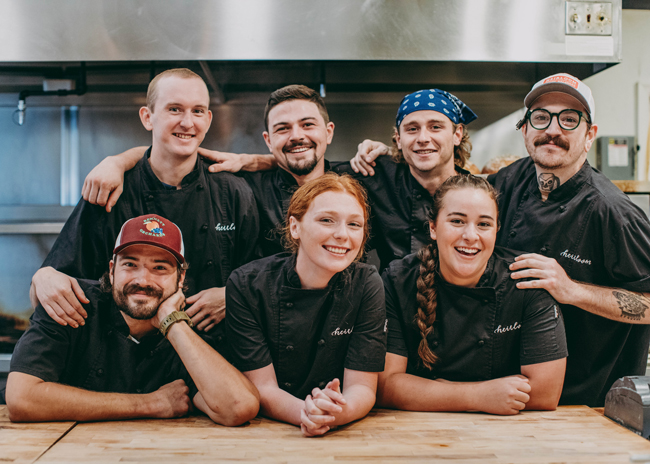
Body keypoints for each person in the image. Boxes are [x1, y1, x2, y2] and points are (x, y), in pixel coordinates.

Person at [80, 87, 477, 271]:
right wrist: (118, 160)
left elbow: (431, 163)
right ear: (269, 140)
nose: (298, 136)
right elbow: (178, 152)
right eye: (283, 129)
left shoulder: (362, 176)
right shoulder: (243, 188)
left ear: (329, 132)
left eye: (307, 124)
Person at [30, 68, 260, 342]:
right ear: (147, 117)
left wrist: (230, 295)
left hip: (210, 354)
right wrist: (43, 278)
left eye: (198, 111)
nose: (188, 123)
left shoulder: (234, 193)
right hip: (121, 359)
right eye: (174, 109)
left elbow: (262, 279)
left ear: (209, 119)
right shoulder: (111, 190)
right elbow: (58, 280)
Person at [489, 73, 650, 407]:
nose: (553, 130)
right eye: (541, 117)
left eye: (569, 119)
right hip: (509, 393)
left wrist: (571, 289)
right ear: (525, 130)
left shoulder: (614, 213)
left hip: (589, 402)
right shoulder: (505, 183)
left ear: (589, 135)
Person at [6, 215, 259, 424]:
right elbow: (21, 398)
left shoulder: (193, 328)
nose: (143, 280)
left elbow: (238, 407)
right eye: (130, 264)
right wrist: (151, 404)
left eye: (160, 268)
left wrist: (173, 324)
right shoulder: (69, 302)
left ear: (181, 279)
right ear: (112, 271)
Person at [378, 175, 567, 415]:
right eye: (457, 221)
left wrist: (429, 393)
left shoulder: (527, 280)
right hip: (419, 432)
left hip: (507, 435)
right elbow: (385, 385)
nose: (470, 235)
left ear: (497, 230)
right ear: (433, 228)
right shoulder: (398, 281)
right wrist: (478, 396)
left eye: (484, 224)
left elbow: (546, 392)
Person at [225, 173, 386, 436]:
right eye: (326, 220)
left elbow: (363, 387)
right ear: (295, 227)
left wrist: (336, 413)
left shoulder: (367, 284)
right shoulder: (246, 286)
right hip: (266, 434)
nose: (342, 234)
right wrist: (306, 413)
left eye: (355, 224)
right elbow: (262, 387)